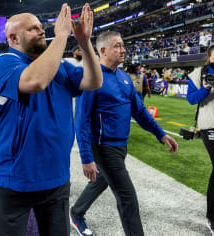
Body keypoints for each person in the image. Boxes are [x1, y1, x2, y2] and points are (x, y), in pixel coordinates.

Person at [0, 3, 102, 236]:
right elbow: (35, 82)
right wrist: (61, 36)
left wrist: (85, 42)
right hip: (13, 179)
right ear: (13, 37)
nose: (41, 31)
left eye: (41, 27)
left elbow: (94, 81)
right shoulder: (3, 62)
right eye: (32, 29)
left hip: (56, 178)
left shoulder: (61, 66)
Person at [70, 31, 178, 236]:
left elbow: (140, 112)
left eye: (123, 45)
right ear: (102, 50)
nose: (123, 50)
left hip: (120, 146)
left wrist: (161, 134)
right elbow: (81, 121)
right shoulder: (91, 77)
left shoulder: (124, 78)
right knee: (127, 197)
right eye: (117, 46)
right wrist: (86, 157)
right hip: (103, 147)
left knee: (101, 180)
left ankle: (76, 213)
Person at [186, 43, 214, 236]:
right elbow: (192, 99)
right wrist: (208, 87)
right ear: (209, 58)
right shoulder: (197, 74)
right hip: (211, 126)